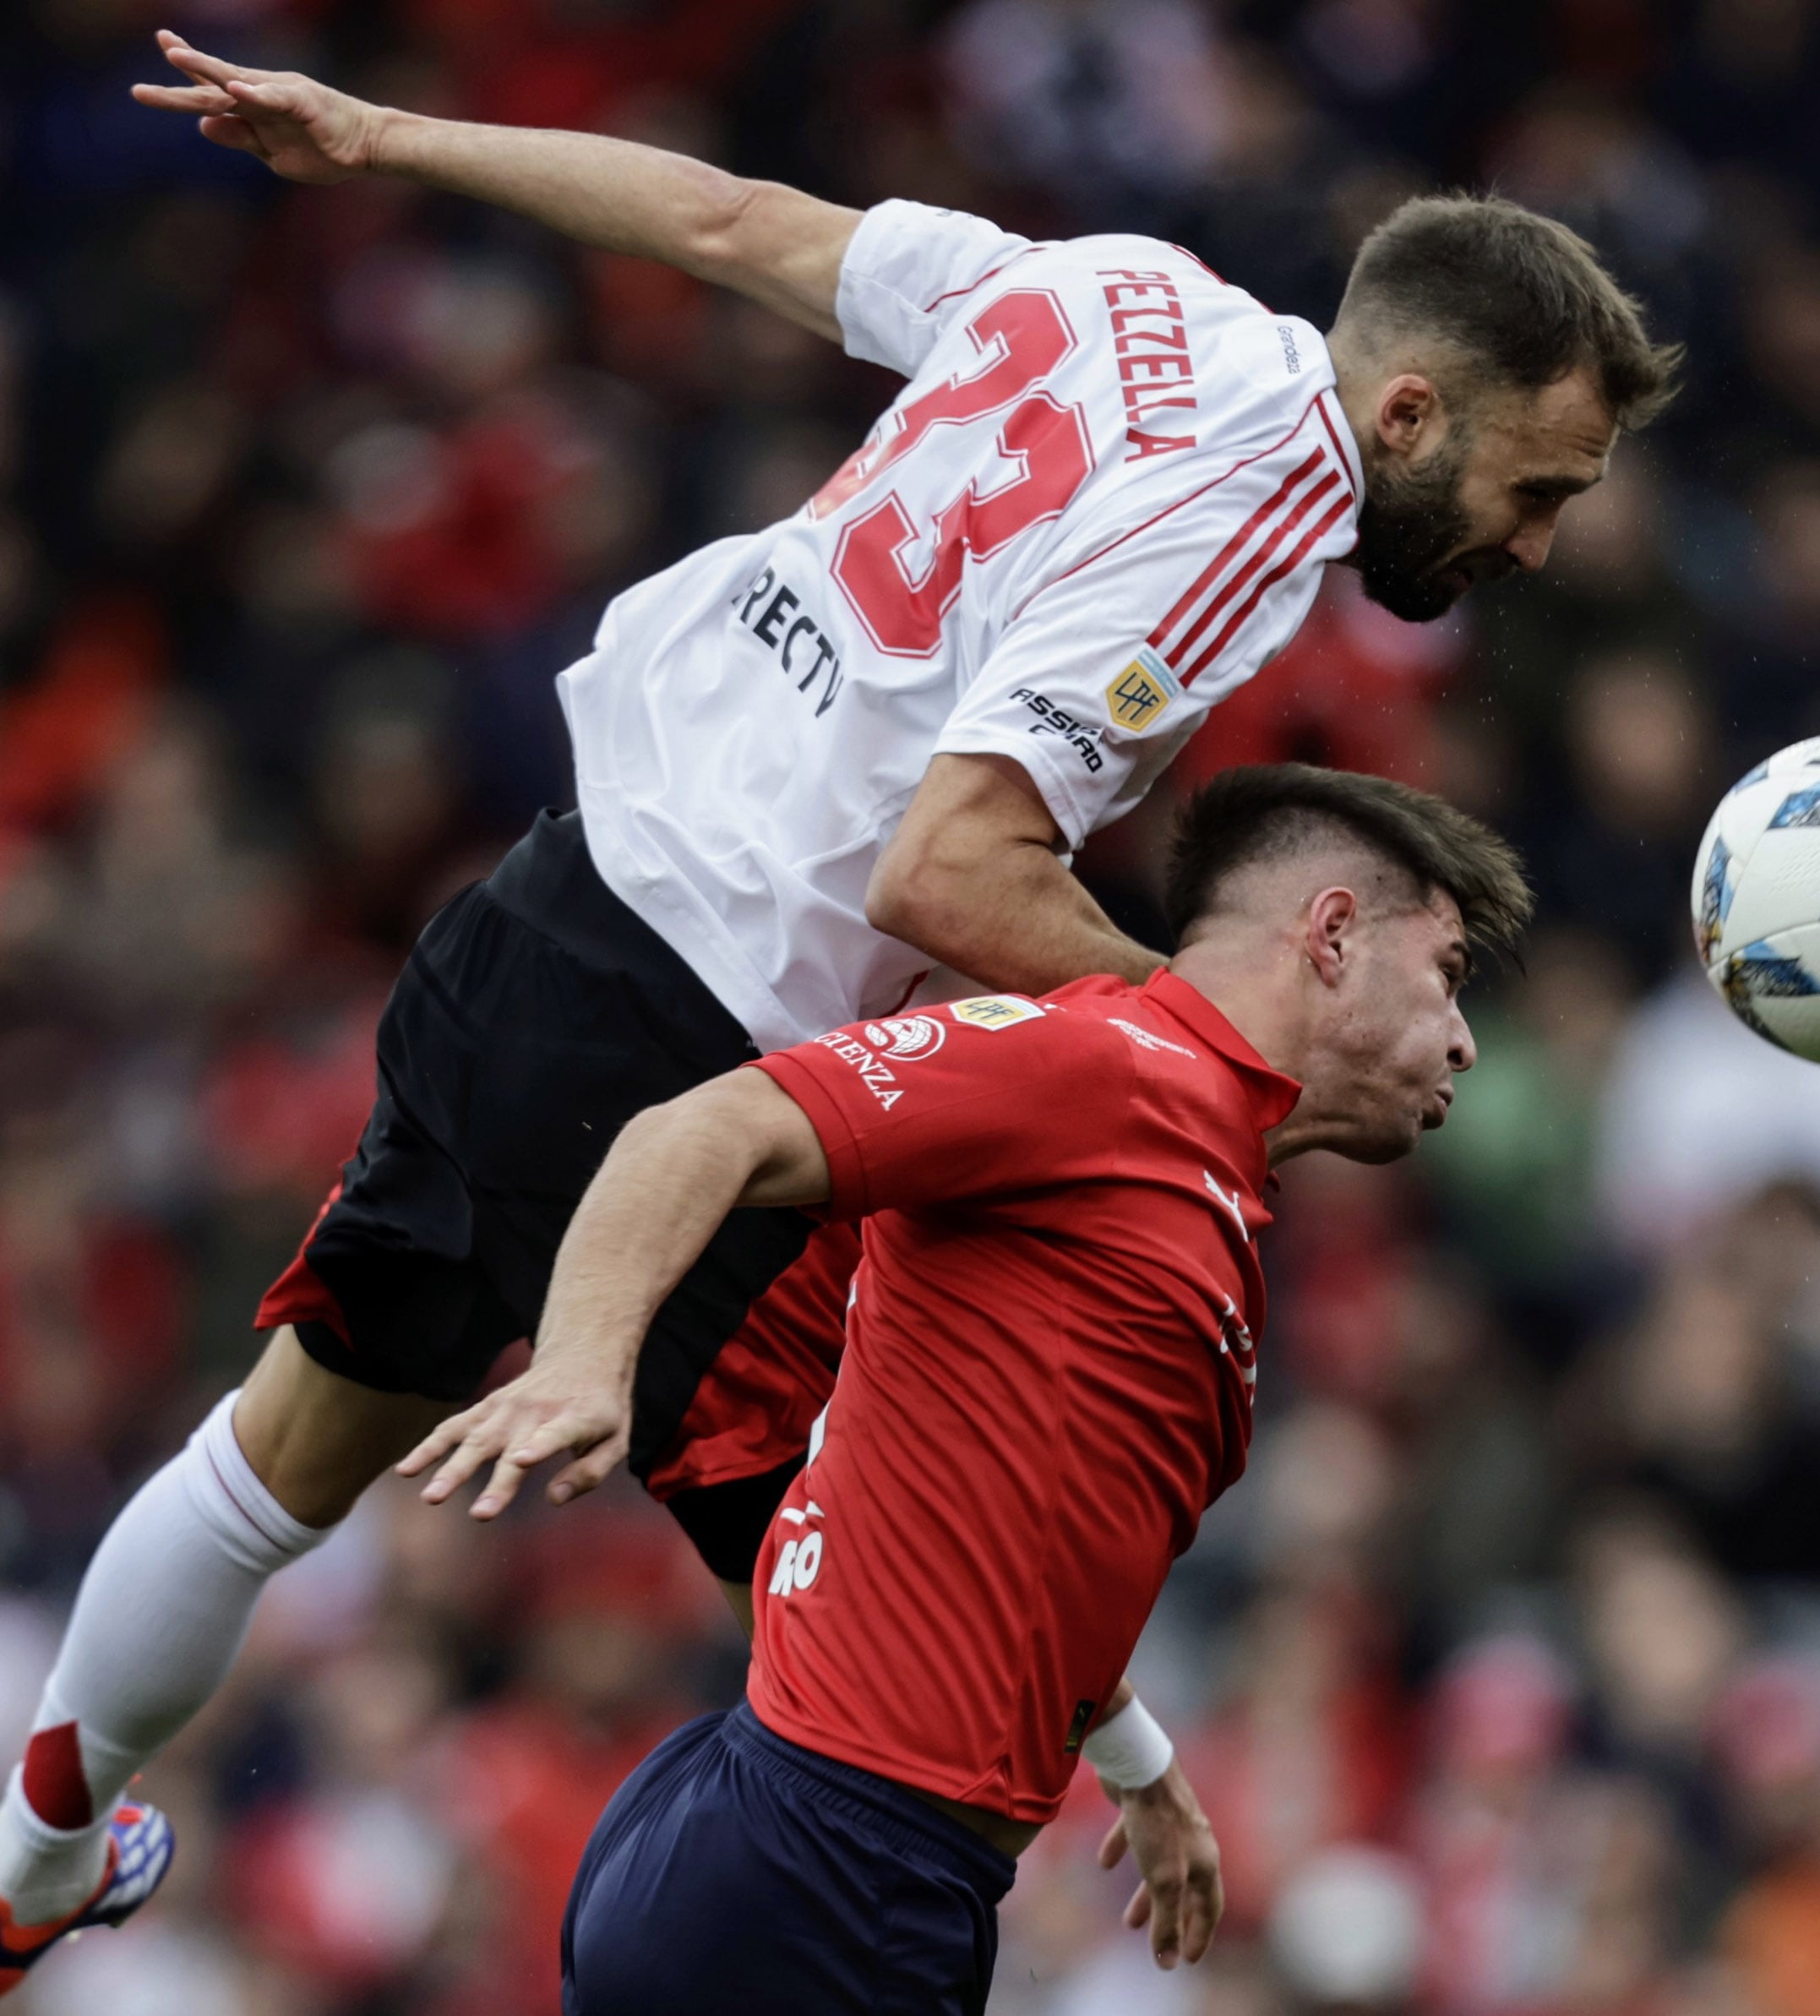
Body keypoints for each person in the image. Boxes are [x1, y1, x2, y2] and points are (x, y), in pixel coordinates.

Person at [0, 30, 1676, 1992]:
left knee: (283, 1448)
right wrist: (1214, 1043)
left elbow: (727, 220)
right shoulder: (1255, 523)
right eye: (1533, 483)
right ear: (1406, 411)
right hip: (709, 1042)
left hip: (550, 910)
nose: (1537, 544)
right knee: (891, 1634)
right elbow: (948, 874)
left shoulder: (1123, 291)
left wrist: (383, 136)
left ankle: (35, 1860)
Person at [405, 765, 1530, 2012]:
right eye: (1448, 972)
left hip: (827, 1853)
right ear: (1331, 934)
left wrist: (1138, 1762)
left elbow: (1028, 1547)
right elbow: (702, 1130)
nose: (1464, 1038)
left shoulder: (1201, 1180)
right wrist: (581, 1358)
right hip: (824, 1862)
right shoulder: (1103, 1064)